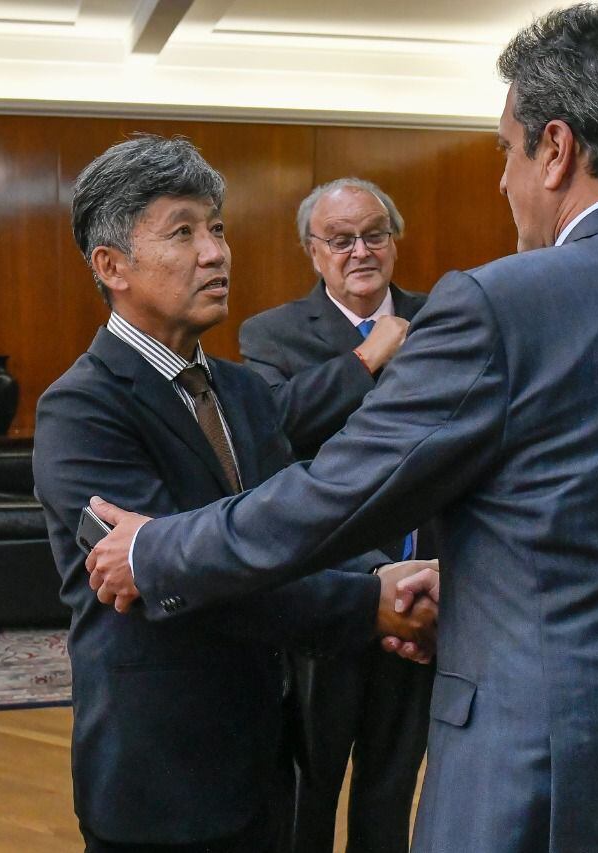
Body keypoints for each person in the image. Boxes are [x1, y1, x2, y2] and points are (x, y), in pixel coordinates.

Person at [86, 6, 598, 850]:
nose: (502, 180)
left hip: (546, 778)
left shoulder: (506, 303)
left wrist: (156, 550)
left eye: (506, 149)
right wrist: (467, 575)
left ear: (557, 149)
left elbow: (339, 491)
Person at [32, 134, 435, 852]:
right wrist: (370, 604)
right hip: (162, 776)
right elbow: (189, 582)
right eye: (181, 232)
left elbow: (292, 534)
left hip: (263, 756)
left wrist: (383, 576)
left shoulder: (244, 392)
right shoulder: (82, 411)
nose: (215, 252)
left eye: (215, 227)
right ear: (111, 265)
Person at [239, 178, 433, 853]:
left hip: (420, 596)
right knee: (310, 797)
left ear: (394, 239)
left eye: (374, 233)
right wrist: (368, 355)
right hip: (328, 593)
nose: (360, 251)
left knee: (390, 789)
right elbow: (276, 426)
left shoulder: (443, 317)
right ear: (312, 252)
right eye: (340, 239)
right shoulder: (272, 333)